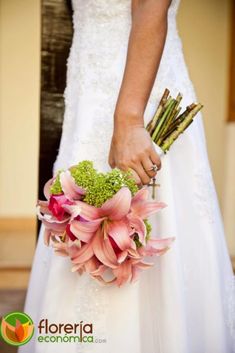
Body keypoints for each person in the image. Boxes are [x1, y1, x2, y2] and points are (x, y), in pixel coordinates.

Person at [20, 0, 235, 352]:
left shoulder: (129, 117)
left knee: (147, 229)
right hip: (91, 97)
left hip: (134, 95)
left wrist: (130, 119)